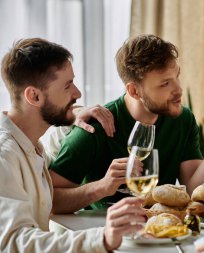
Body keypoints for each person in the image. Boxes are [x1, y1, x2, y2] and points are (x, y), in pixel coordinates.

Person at [49, 34, 204, 213]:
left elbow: (195, 188)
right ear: (134, 91)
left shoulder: (182, 120)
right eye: (165, 83)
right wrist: (102, 187)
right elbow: (51, 199)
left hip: (158, 233)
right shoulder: (95, 126)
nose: (179, 89)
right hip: (103, 235)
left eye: (177, 77)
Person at [0, 38, 145, 252]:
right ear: (34, 96)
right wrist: (102, 238)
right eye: (67, 86)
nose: (77, 93)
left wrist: (74, 113)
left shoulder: (32, 146)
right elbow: (13, 243)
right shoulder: (5, 156)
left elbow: (58, 137)